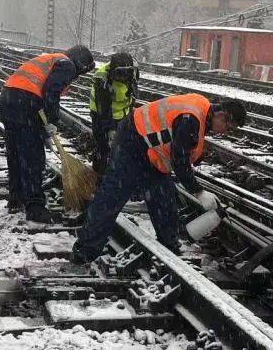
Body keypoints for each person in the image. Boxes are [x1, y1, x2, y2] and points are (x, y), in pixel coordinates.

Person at [72, 94, 247, 262]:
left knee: (164, 199)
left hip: (151, 151)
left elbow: (183, 145)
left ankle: (169, 249)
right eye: (228, 128)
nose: (224, 133)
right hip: (132, 142)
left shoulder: (202, 111)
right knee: (112, 197)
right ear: (222, 115)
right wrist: (198, 192)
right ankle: (85, 251)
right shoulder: (191, 118)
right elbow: (180, 161)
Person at [0, 45, 95, 225]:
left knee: (16, 154)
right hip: (25, 103)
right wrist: (52, 121)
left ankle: (16, 198)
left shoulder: (52, 59)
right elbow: (51, 90)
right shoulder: (67, 65)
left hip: (8, 99)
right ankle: (35, 208)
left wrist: (43, 132)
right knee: (33, 158)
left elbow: (41, 89)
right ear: (80, 63)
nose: (78, 74)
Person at [89, 51, 138, 176]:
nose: (122, 78)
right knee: (104, 145)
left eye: (125, 74)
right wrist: (110, 130)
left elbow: (133, 94)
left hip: (122, 113)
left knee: (121, 146)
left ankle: (117, 172)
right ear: (112, 70)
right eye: (119, 74)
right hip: (100, 113)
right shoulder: (102, 78)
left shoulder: (133, 73)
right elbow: (104, 109)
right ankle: (100, 172)